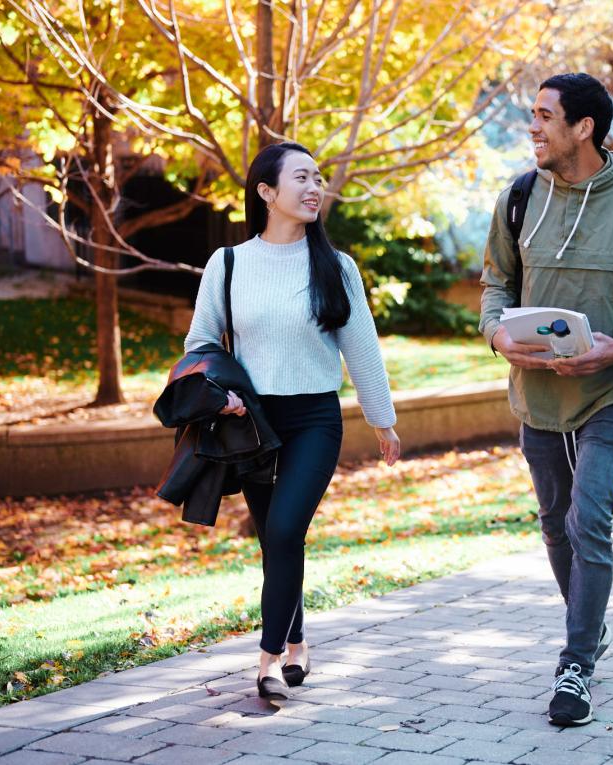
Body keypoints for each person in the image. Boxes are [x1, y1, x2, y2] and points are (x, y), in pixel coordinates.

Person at [479, 73, 613, 726]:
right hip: (537, 394)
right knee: (553, 521)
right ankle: (589, 623)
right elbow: (495, 285)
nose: (532, 127)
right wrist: (496, 334)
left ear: (583, 128)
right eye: (533, 114)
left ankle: (576, 665)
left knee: (587, 518)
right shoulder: (518, 198)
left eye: (545, 116)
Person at [183, 142, 401, 704]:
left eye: (318, 178)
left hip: (314, 420)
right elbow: (200, 343)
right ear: (266, 192)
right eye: (301, 177)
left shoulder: (337, 267)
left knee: (283, 530)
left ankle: (269, 660)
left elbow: (362, 349)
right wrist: (221, 395)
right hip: (252, 424)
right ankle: (299, 642)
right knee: (275, 540)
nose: (315, 187)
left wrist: (382, 421)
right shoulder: (228, 263)